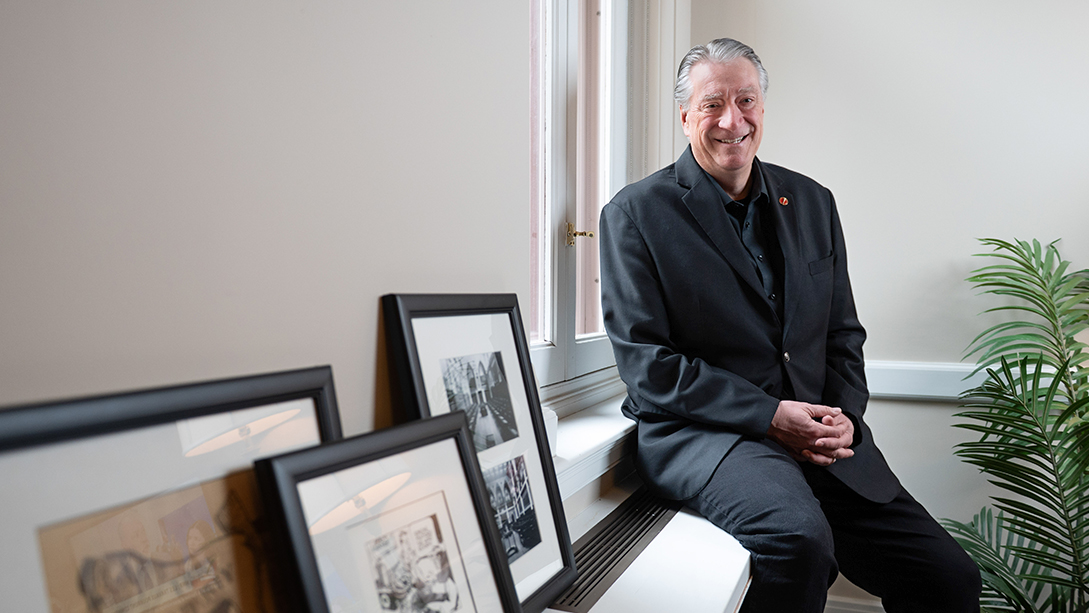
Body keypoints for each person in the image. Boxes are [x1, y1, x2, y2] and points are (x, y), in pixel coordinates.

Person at [598, 38, 981, 612]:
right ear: (684, 117)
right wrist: (771, 417)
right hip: (712, 438)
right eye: (712, 104)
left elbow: (842, 334)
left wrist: (845, 418)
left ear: (761, 107)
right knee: (799, 544)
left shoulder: (812, 201)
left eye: (746, 100)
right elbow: (648, 366)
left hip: (823, 439)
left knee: (950, 579)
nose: (733, 119)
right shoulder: (633, 214)